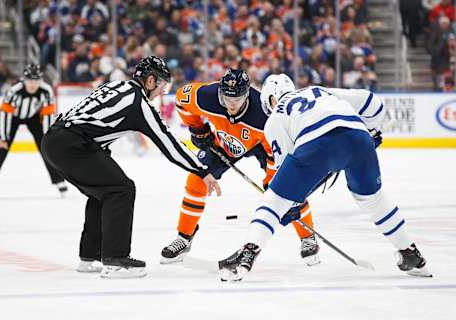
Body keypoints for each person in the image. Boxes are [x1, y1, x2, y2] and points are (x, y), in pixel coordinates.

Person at [219, 74, 431, 281]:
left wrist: (290, 205)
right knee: (373, 200)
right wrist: (372, 131)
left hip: (315, 144)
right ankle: (411, 254)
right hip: (358, 138)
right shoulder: (319, 90)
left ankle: (248, 253)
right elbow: (372, 102)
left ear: (270, 100)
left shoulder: (274, 120)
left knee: (274, 200)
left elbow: (286, 172)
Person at [41, 56, 221, 279]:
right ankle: (115, 260)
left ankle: (90, 256)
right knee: (121, 189)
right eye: (162, 86)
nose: (162, 92)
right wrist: (201, 170)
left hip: (54, 139)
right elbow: (169, 144)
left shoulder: (117, 85)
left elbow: (92, 119)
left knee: (103, 192)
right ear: (150, 81)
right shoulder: (139, 104)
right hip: (73, 145)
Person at [160, 69, 320, 266]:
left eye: (237, 99)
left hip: (263, 145)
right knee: (196, 179)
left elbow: (274, 155)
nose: (231, 104)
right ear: (220, 92)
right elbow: (182, 99)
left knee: (286, 186)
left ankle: (307, 237)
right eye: (226, 98)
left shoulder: (264, 116)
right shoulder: (207, 96)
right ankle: (184, 238)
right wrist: (198, 129)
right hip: (224, 141)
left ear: (247, 94)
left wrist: (272, 182)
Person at [0, 63, 67, 196]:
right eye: (30, 80)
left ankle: (59, 181)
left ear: (40, 80)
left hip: (33, 117)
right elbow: (5, 114)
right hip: (12, 118)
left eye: (36, 80)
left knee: (46, 147)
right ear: (24, 80)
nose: (33, 84)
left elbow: (48, 115)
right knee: (0, 147)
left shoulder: (46, 90)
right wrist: (2, 138)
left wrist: (48, 137)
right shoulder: (14, 91)